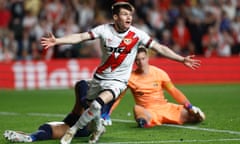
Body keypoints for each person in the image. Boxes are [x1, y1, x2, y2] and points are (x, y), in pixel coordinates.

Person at [40, 2, 201, 144]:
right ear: (115, 17)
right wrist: (58, 41)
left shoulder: (137, 34)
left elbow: (159, 48)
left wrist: (181, 59)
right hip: (100, 77)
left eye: (130, 14)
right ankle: (98, 129)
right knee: (90, 106)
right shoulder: (104, 30)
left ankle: (72, 131)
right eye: (124, 14)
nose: (128, 17)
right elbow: (81, 37)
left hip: (118, 81)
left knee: (97, 105)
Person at [107, 47, 205, 128]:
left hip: (166, 108)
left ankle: (152, 121)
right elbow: (118, 98)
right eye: (137, 60)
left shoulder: (160, 73)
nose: (141, 62)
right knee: (137, 109)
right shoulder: (129, 78)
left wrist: (189, 106)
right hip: (148, 111)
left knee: (197, 116)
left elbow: (173, 91)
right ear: (134, 61)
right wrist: (107, 114)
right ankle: (146, 122)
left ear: (147, 58)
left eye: (143, 58)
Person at [3, 80, 113, 143]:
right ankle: (30, 137)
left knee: (82, 85)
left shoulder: (106, 88)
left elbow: (83, 85)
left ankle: (31, 137)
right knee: (49, 128)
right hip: (80, 120)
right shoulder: (110, 90)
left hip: (84, 122)